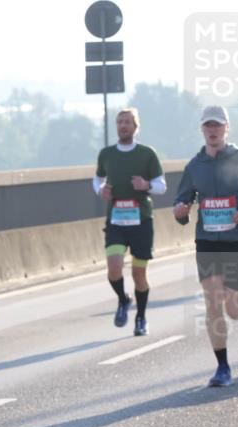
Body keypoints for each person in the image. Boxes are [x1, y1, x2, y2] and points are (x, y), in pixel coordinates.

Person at [173, 105, 238, 387]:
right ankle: (222, 368)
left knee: (234, 308)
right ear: (202, 130)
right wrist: (180, 210)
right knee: (212, 303)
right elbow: (182, 200)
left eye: (217, 125)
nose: (213, 130)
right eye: (208, 126)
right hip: (207, 242)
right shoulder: (195, 166)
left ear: (226, 128)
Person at [93, 108, 167, 335]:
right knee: (114, 268)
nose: (123, 126)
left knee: (138, 274)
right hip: (116, 219)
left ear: (136, 126)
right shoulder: (106, 153)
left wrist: (146, 185)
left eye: (127, 122)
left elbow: (162, 186)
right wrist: (101, 190)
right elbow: (98, 178)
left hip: (141, 220)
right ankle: (123, 299)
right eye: (119, 122)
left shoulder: (147, 154)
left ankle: (141, 318)